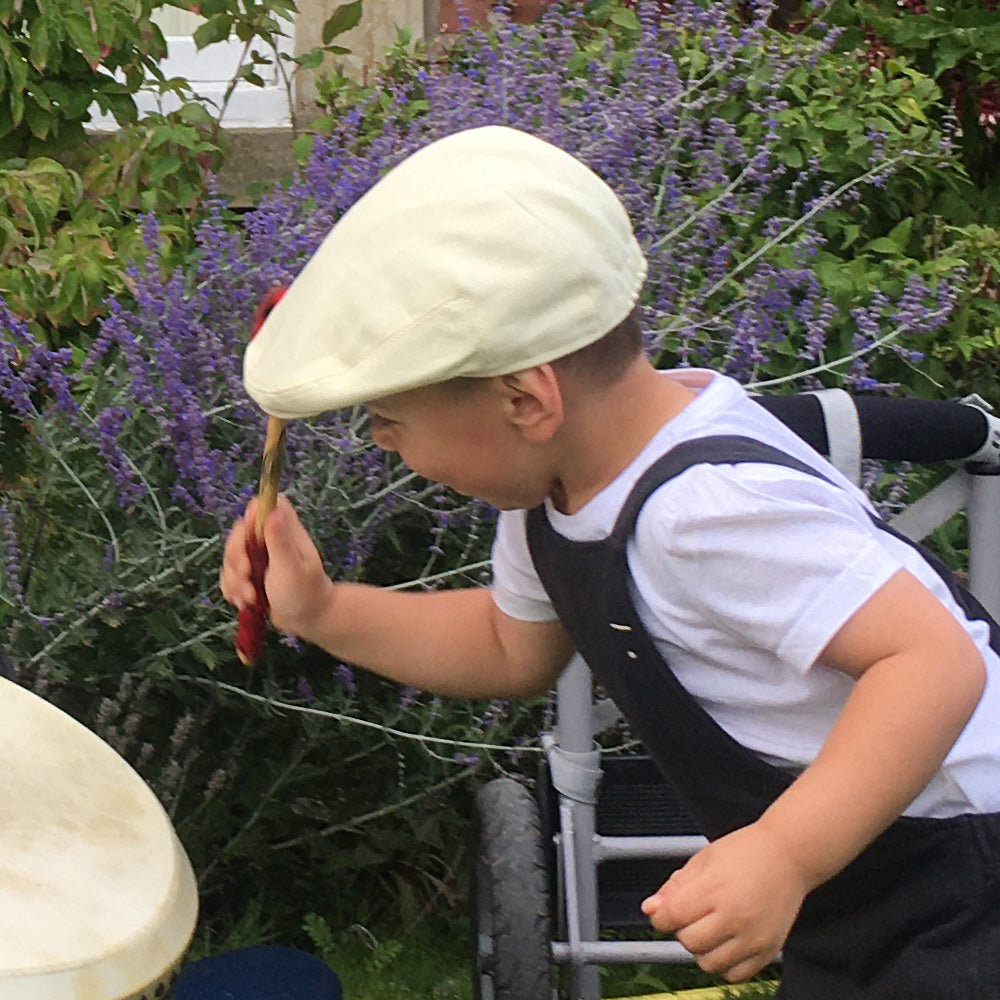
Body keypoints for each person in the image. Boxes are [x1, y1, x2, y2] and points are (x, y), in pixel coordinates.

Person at [220, 126, 1000, 998]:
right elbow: (507, 646)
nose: (380, 440)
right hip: (870, 867)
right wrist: (323, 610)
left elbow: (932, 659)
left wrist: (785, 852)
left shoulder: (705, 509)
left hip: (963, 873)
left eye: (390, 418)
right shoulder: (563, 493)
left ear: (525, 398)